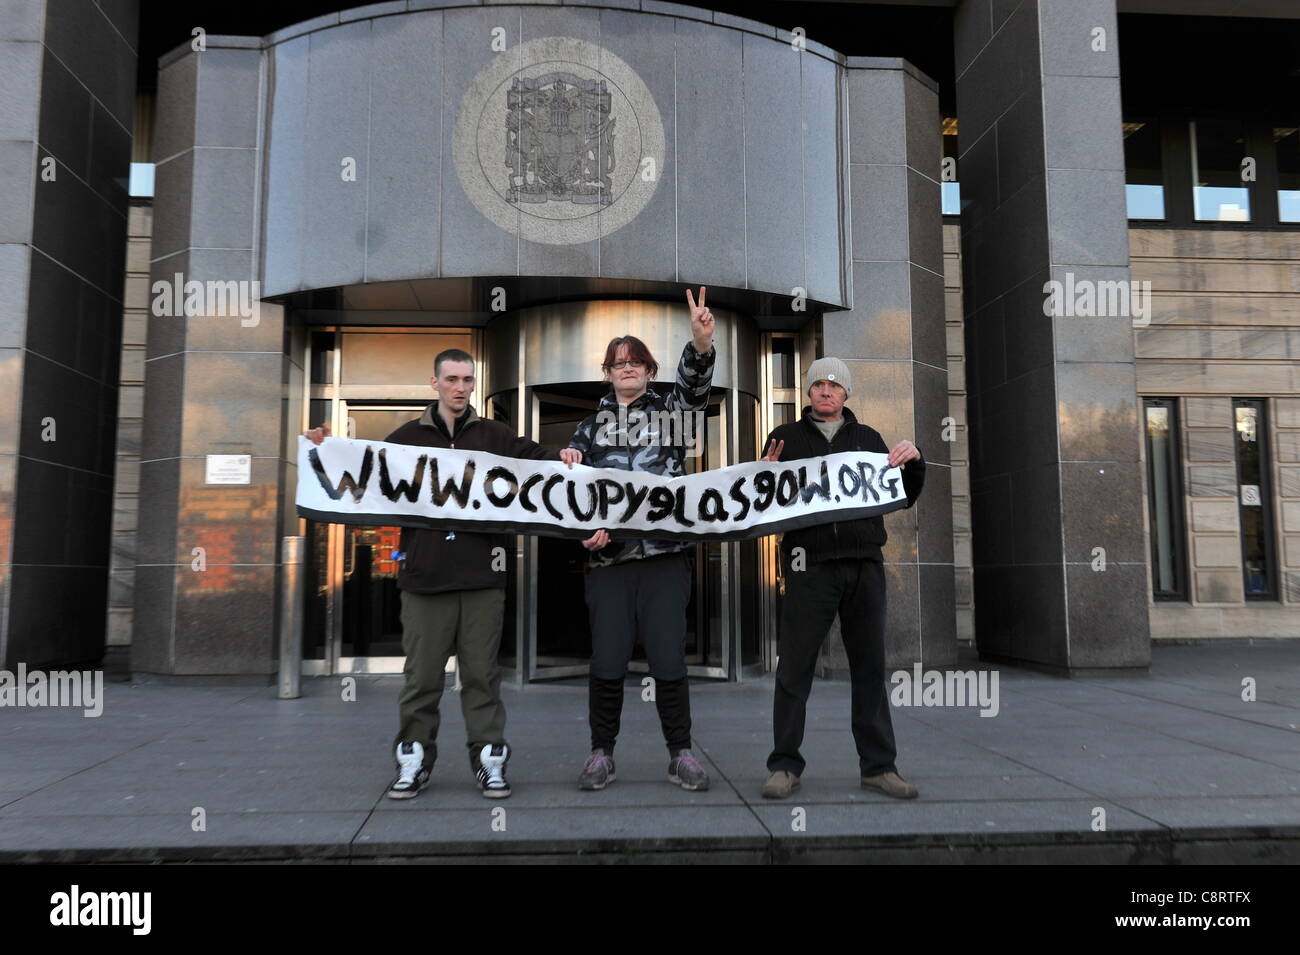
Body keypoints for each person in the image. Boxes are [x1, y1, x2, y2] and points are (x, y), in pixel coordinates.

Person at [303, 348, 582, 800]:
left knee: (481, 676)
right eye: (451, 379)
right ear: (434, 383)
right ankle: (413, 761)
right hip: (424, 580)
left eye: (467, 380)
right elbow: (362, 465)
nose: (459, 387)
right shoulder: (407, 437)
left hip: (482, 581)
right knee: (422, 678)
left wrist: (564, 455)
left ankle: (490, 760)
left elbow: (537, 460)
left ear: (474, 384)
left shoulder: (496, 434)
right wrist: (326, 447)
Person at [566, 287, 716, 792]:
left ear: (650, 371)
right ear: (607, 373)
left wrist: (699, 345)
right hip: (609, 563)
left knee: (669, 660)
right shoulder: (586, 431)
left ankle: (681, 754)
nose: (626, 369)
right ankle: (600, 755)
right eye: (617, 363)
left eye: (636, 363)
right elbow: (571, 498)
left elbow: (695, 391)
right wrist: (583, 532)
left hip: (665, 559)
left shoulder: (672, 416)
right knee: (607, 660)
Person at [758, 357, 926, 800]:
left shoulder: (868, 438)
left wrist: (914, 463)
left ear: (846, 393)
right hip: (806, 566)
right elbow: (763, 499)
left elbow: (902, 495)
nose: (826, 390)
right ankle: (784, 766)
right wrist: (764, 473)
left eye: (834, 384)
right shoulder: (784, 437)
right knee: (794, 668)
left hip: (863, 565)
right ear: (808, 392)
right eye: (818, 384)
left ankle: (878, 766)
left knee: (869, 668)